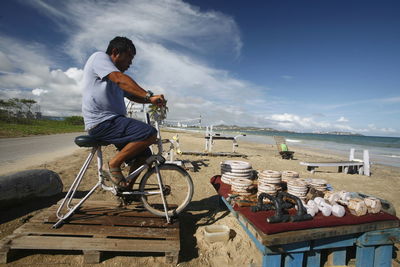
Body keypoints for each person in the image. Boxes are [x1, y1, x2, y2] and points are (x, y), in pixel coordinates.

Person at [81, 36, 165, 190]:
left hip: (113, 122)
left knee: (144, 155)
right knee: (149, 134)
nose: (130, 63)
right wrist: (148, 95)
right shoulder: (100, 58)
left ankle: (126, 190)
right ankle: (113, 164)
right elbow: (120, 79)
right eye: (129, 58)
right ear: (115, 52)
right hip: (103, 122)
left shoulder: (112, 76)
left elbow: (132, 96)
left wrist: (151, 100)